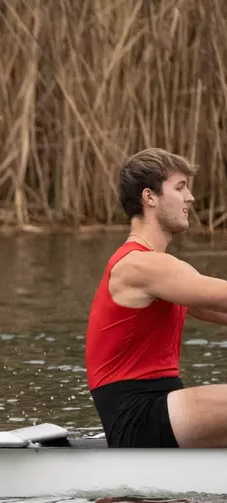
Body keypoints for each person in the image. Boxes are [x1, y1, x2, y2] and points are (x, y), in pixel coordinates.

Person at [86, 148, 227, 448]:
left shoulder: (170, 271)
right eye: (180, 187)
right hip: (136, 417)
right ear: (149, 197)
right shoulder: (139, 265)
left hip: (164, 409)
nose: (190, 197)